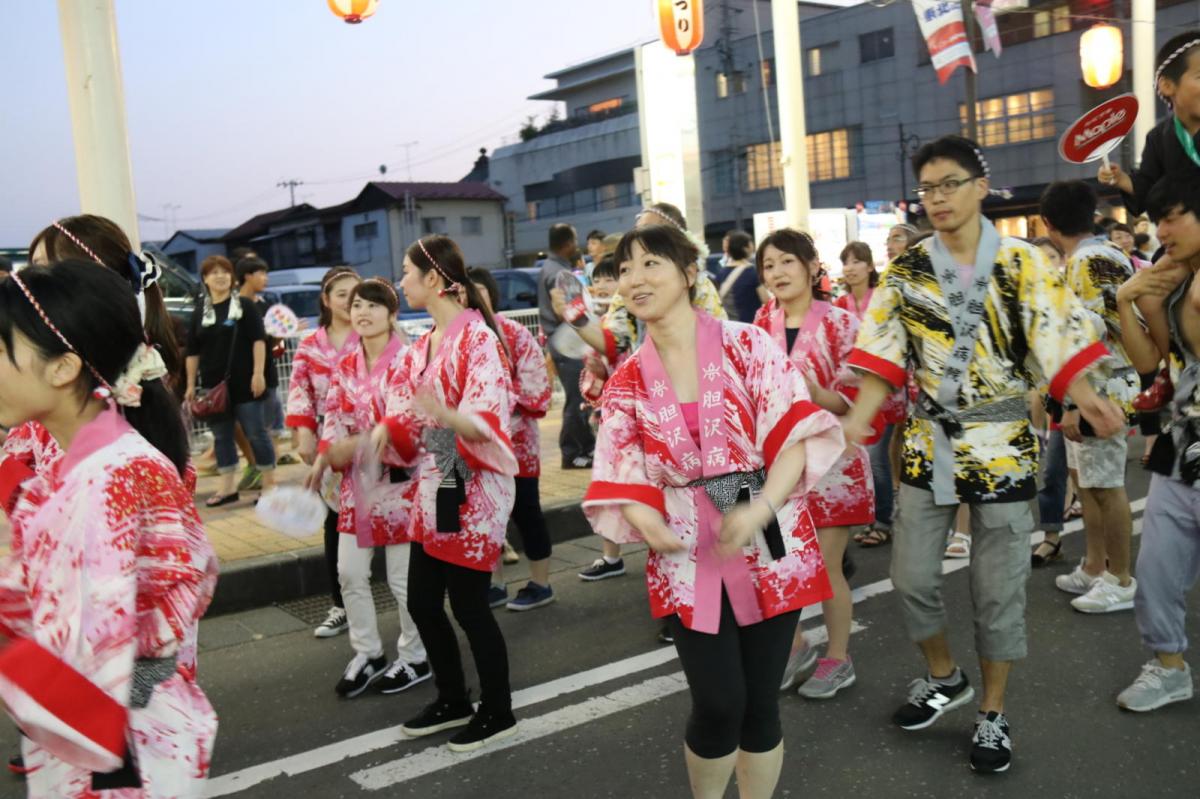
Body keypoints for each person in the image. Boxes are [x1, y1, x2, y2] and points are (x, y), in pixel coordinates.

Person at [843, 135, 1125, 774]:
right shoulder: (907, 271)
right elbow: (883, 349)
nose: (937, 198)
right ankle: (945, 676)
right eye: (928, 188)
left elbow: (1057, 337)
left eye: (949, 183)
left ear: (980, 186)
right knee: (912, 578)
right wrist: (861, 412)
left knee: (997, 593)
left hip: (1003, 450)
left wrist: (1085, 396)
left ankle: (993, 714)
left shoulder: (1026, 263)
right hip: (926, 444)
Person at [583, 223, 844, 798]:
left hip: (768, 530)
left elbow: (792, 433)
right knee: (718, 700)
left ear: (687, 273)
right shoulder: (626, 379)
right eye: (625, 269)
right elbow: (620, 466)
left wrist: (761, 509)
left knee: (759, 702)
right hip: (685, 543)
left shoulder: (747, 343)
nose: (634, 279)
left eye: (651, 263)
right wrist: (644, 515)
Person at [0, 260, 217, 796]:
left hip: (117, 747)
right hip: (122, 732)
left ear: (62, 367)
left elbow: (78, 663)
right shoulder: (96, 462)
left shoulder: (112, 477)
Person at [376, 235, 519, 752]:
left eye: (408, 273)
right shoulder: (426, 343)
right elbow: (406, 416)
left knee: (468, 603)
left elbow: (485, 420)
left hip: (470, 480)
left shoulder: (477, 338)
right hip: (440, 477)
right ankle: (453, 697)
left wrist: (442, 414)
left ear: (434, 279)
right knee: (421, 600)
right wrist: (383, 433)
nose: (402, 282)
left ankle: (498, 708)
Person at [754, 230, 874, 701]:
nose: (778, 273)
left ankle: (837, 659)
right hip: (776, 464)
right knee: (773, 562)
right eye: (769, 265)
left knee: (824, 567)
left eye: (787, 262)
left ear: (810, 266)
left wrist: (812, 390)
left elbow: (859, 400)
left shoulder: (842, 323)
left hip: (832, 464)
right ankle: (797, 646)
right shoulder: (758, 325)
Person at [309, 278, 428, 698]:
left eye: (374, 306)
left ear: (392, 313)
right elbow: (333, 418)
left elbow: (420, 423)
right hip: (357, 484)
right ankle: (368, 652)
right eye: (357, 305)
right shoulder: (344, 365)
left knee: (402, 580)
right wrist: (326, 454)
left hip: (401, 484)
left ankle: (415, 656)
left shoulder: (412, 358)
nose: (363, 312)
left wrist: (371, 440)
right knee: (350, 573)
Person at [1113, 173, 1200, 712]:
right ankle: (1170, 667)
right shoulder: (1177, 286)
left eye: (1174, 216)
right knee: (1155, 572)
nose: (1161, 229)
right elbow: (1156, 365)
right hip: (1182, 448)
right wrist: (1128, 300)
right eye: (1157, 219)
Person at [1040, 180, 1139, 613]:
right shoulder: (1109, 254)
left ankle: (1120, 578)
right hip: (1102, 384)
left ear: (1048, 223)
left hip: (1101, 387)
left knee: (1105, 485)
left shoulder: (1085, 260)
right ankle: (1096, 565)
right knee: (1089, 482)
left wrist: (1073, 402)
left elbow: (1089, 332)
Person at [467, 267, 556, 612]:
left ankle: (542, 582)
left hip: (517, 446)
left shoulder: (515, 334)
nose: (472, 300)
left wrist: (491, 409)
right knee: (486, 516)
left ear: (491, 294)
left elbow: (537, 391)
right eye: (464, 294)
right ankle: (496, 583)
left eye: (478, 292)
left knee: (526, 512)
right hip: (474, 448)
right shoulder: (456, 339)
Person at [286, 266, 362, 639]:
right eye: (342, 294)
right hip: (326, 443)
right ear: (326, 299)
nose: (351, 301)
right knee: (335, 520)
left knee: (386, 516)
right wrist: (304, 433)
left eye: (357, 293)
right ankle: (341, 604)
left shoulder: (372, 335)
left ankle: (404, 596)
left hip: (368, 438)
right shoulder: (310, 344)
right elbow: (300, 388)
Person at [185, 255, 276, 506]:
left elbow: (259, 341)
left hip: (246, 383)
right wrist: (191, 384)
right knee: (222, 436)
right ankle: (227, 488)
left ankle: (270, 484)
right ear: (205, 279)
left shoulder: (244, 306)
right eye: (213, 273)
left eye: (224, 271)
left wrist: (258, 373)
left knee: (256, 433)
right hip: (214, 387)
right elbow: (192, 352)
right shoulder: (199, 312)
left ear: (232, 277)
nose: (220, 276)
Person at [837, 241, 904, 551]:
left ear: (869, 266)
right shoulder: (840, 304)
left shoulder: (882, 299)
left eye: (856, 261)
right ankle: (874, 517)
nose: (850, 267)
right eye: (845, 261)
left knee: (877, 458)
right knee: (866, 459)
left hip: (885, 390)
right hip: (852, 394)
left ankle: (882, 522)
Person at [538, 223, 594, 469]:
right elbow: (570, 312)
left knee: (579, 396)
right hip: (567, 342)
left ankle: (584, 449)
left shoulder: (552, 268)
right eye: (575, 240)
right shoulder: (558, 273)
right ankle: (572, 453)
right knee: (576, 398)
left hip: (563, 341)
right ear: (568, 243)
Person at [717, 230, 766, 323]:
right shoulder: (751, 272)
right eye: (750, 244)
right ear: (745, 248)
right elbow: (765, 299)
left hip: (729, 326)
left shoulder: (721, 273)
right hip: (751, 324)